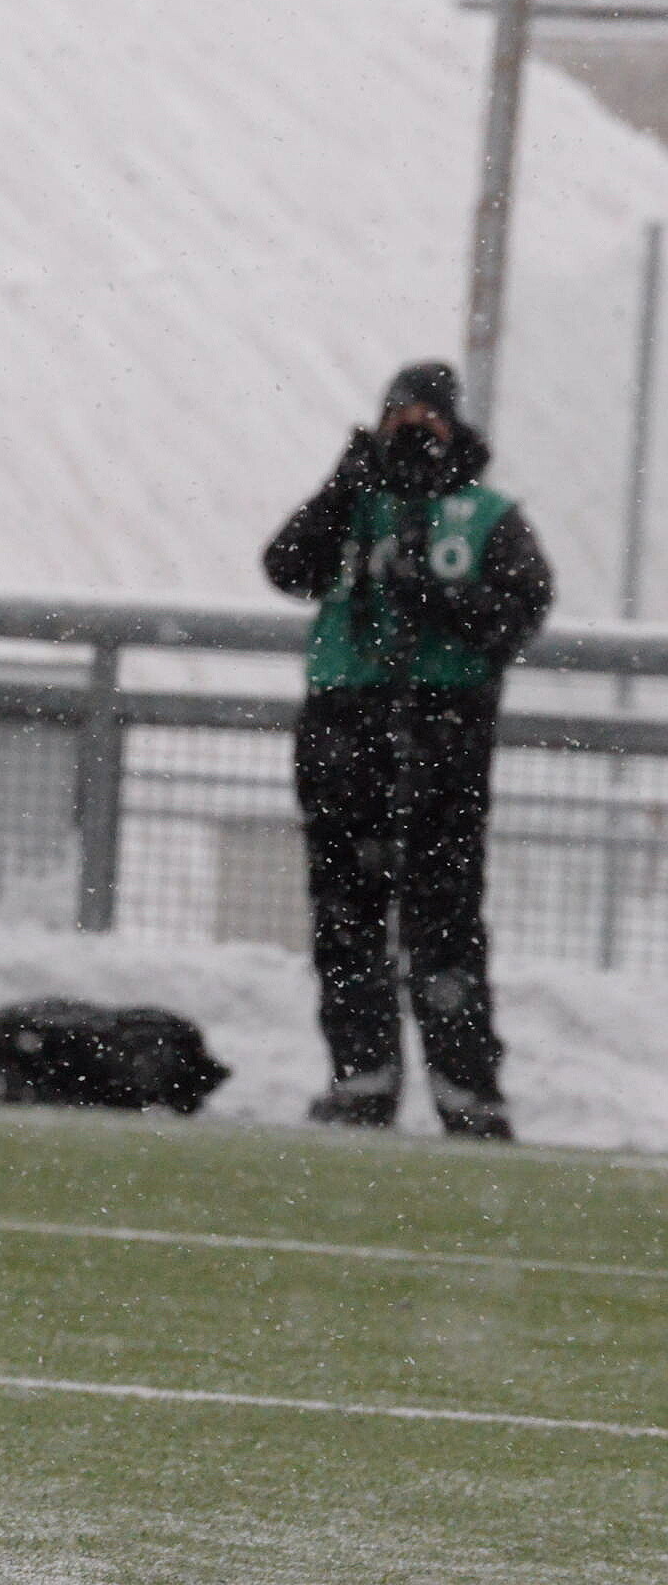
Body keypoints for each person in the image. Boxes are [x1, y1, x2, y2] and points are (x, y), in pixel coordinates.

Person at [265, 361, 552, 1141]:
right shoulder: (353, 504)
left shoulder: (485, 515)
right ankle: (363, 1076)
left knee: (443, 915)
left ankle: (465, 1087)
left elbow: (521, 612)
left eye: (428, 421)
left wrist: (439, 596)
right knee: (346, 911)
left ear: (455, 429)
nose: (414, 437)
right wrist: (342, 485)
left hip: (443, 730)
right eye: (401, 420)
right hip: (347, 724)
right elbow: (286, 567)